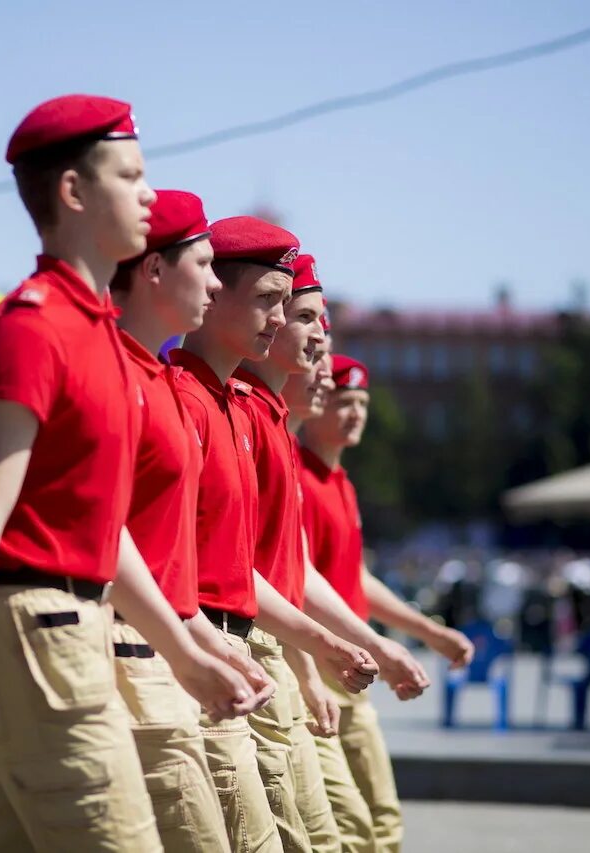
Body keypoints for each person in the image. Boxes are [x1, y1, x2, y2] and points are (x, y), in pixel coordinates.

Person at [0, 94, 257, 853]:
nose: (150, 194)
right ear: (73, 192)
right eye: (131, 175)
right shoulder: (28, 329)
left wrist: (184, 651)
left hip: (67, 627)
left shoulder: (99, 338)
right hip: (37, 632)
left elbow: (101, 530)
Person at [172, 217, 380, 853]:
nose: (314, 334)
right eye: (276, 303)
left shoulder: (248, 410)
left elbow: (270, 568)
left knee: (343, 834)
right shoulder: (189, 397)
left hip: (251, 647)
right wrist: (321, 650)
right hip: (215, 648)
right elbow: (190, 566)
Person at [235, 255, 434, 853]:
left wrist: (401, 637)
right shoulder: (241, 416)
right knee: (337, 834)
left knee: (363, 829)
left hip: (303, 651)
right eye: (304, 323)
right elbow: (256, 573)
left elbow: (301, 573)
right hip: (271, 653)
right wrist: (318, 657)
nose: (322, 363)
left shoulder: (281, 438)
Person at [111, 188, 278, 852]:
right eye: (270, 301)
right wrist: (193, 645)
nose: (293, 324)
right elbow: (103, 533)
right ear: (154, 270)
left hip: (192, 643)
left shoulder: (199, 395)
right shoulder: (159, 386)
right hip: (136, 648)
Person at [297, 354, 475, 852]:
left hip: (353, 666)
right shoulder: (299, 477)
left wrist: (430, 632)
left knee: (382, 822)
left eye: (363, 403)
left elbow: (355, 578)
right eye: (343, 401)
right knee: (349, 831)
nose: (356, 414)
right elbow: (295, 580)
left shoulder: (341, 484)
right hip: (317, 665)